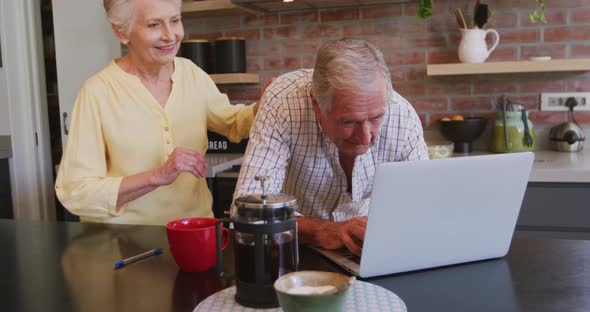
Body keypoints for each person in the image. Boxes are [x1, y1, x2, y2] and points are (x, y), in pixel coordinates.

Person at [55, 0, 256, 225]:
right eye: (153, 25)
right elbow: (75, 192)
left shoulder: (191, 74)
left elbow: (234, 123)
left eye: (175, 20)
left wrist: (267, 103)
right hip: (125, 243)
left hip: (195, 232)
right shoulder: (97, 92)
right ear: (121, 32)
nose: (170, 35)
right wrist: (157, 176)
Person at [234, 38, 428, 256]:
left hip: (368, 252)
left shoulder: (403, 116)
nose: (365, 137)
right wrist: (322, 231)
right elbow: (248, 208)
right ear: (316, 105)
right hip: (295, 251)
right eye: (348, 122)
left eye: (376, 117)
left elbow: (423, 207)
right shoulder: (283, 102)